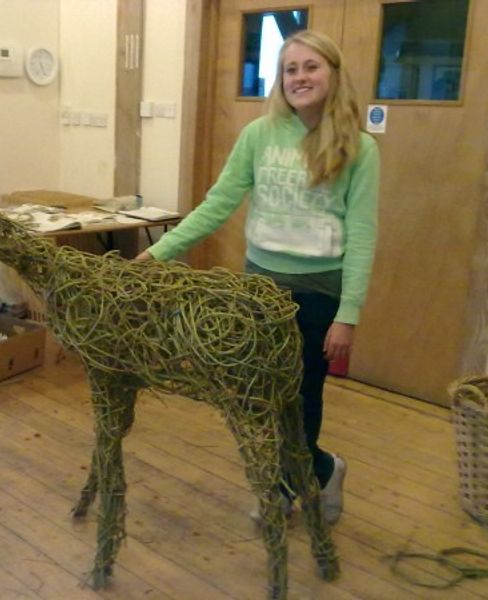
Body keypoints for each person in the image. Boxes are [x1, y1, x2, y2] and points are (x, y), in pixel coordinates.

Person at [135, 30, 379, 525]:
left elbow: (364, 236)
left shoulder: (360, 149)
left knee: (302, 395)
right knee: (257, 397)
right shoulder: (258, 135)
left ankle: (302, 479)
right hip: (260, 287)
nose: (300, 78)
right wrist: (159, 254)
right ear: (280, 79)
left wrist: (348, 315)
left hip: (318, 292)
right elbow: (217, 205)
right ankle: (302, 477)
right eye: (291, 69)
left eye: (311, 67)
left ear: (332, 74)